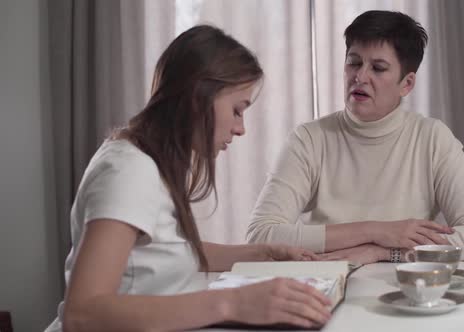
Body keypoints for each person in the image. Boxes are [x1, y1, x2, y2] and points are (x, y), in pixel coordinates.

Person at [45, 25, 332, 332]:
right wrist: (232, 302)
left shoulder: (154, 164)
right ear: (199, 96)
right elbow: (83, 313)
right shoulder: (128, 172)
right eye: (237, 110)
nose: (241, 128)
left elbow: (172, 253)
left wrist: (264, 254)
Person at [247, 10, 464, 264]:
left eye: (378, 68)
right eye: (354, 62)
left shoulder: (432, 138)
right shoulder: (309, 139)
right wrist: (376, 231)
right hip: (324, 284)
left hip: (404, 291)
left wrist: (382, 252)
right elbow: (260, 236)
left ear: (407, 84)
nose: (360, 76)